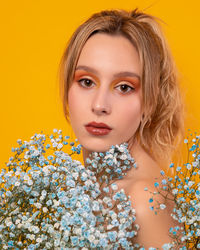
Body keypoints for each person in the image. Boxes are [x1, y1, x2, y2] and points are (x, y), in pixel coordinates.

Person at [59, 8, 184, 248]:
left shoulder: (144, 200)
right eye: (86, 82)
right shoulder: (74, 186)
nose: (99, 105)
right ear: (67, 90)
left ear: (150, 101)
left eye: (124, 87)